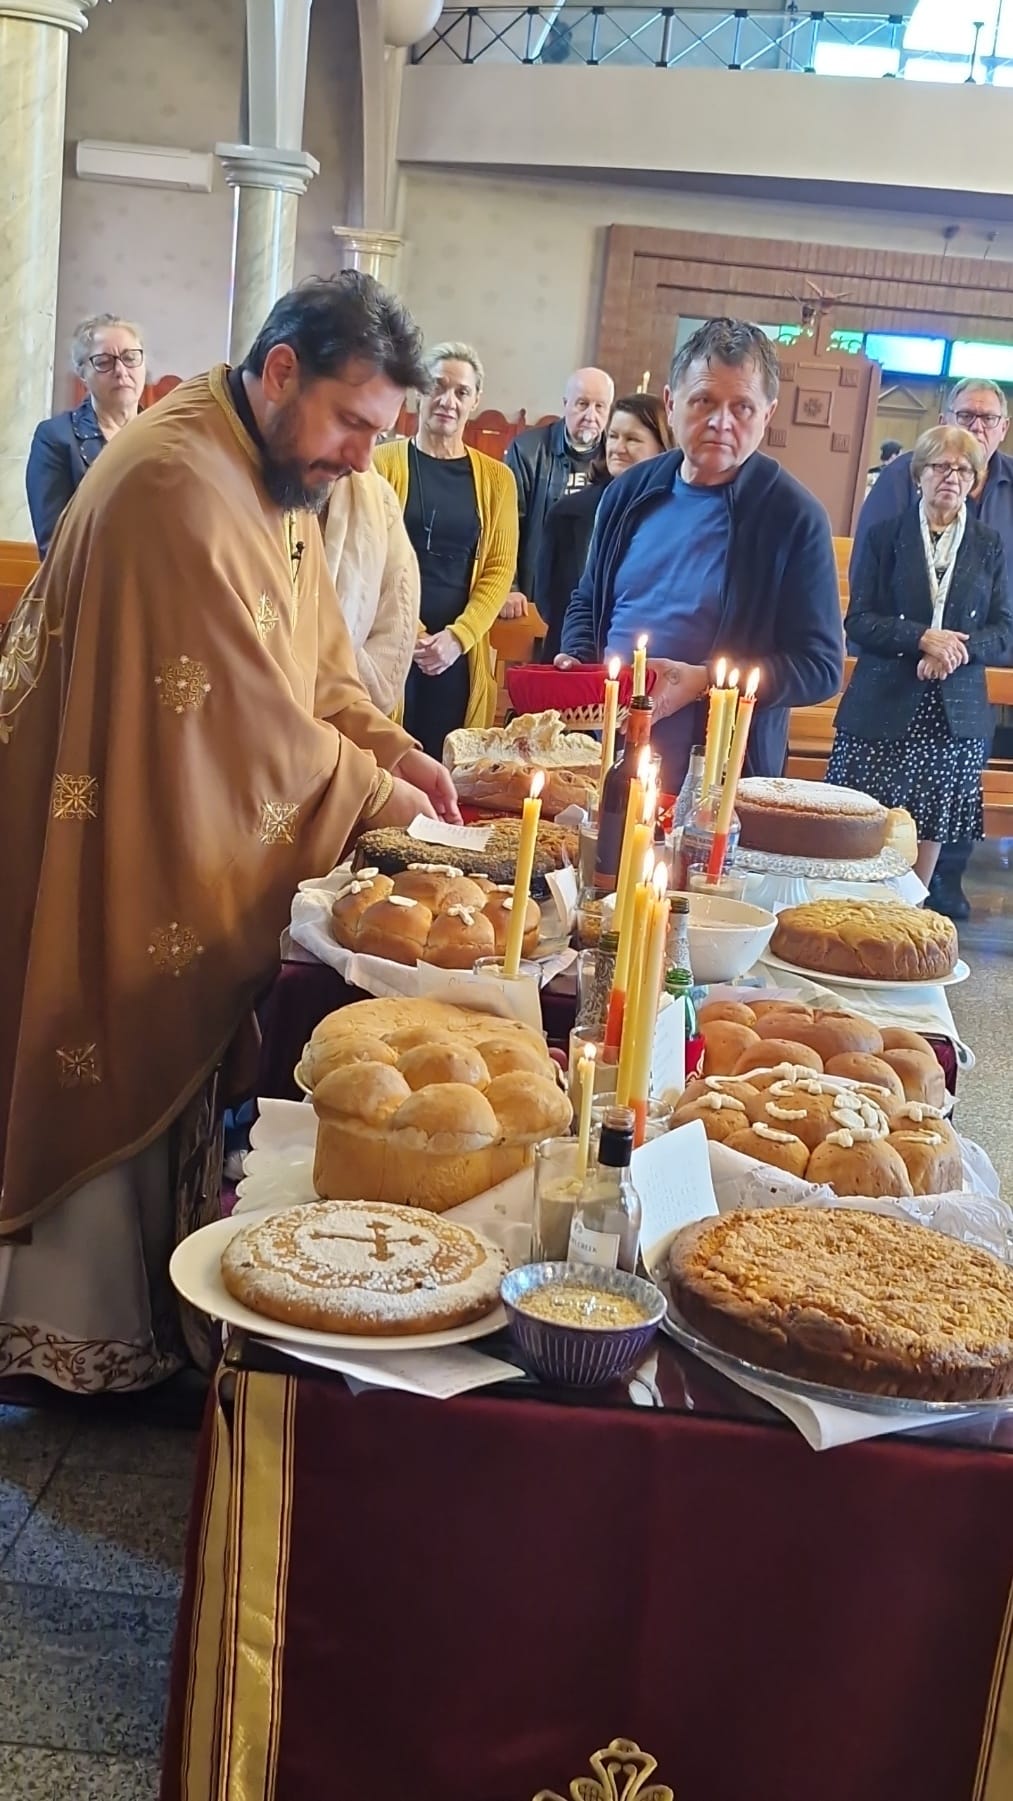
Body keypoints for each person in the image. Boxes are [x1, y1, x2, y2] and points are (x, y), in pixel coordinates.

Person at [0, 272, 461, 1396]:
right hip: (115, 826)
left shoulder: (269, 470)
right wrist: (375, 799)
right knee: (105, 1021)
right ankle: (76, 1340)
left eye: (378, 432)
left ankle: (144, 1326)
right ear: (282, 371)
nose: (362, 457)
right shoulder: (179, 483)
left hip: (166, 808)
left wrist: (393, 752)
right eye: (352, 423)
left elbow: (314, 671)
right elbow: (244, 723)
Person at [558, 318, 843, 793]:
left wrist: (707, 680)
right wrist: (577, 660)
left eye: (742, 407)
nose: (720, 422)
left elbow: (820, 667)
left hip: (719, 770)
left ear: (768, 415)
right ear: (671, 404)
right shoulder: (628, 492)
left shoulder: (793, 517)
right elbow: (589, 599)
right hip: (605, 749)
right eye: (704, 401)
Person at [852, 376, 1013, 918]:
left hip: (954, 708)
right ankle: (858, 907)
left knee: (933, 821)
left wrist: (952, 650)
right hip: (885, 700)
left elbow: (1005, 627)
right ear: (917, 473)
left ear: (975, 480)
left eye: (963, 470)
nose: (951, 476)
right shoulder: (886, 535)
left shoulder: (989, 545)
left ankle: (909, 916)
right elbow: (860, 619)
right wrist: (921, 638)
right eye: (940, 466)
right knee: (868, 823)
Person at [374, 341, 517, 758]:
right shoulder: (381, 465)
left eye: (461, 392)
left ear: (475, 401)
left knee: (452, 771)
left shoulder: (498, 480)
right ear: (419, 390)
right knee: (388, 766)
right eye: (437, 386)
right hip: (390, 643)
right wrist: (412, 634)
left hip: (458, 655)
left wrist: (458, 637)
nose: (447, 401)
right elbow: (370, 558)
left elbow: (499, 568)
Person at [534, 393, 673, 661]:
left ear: (662, 448)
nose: (618, 447)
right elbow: (548, 599)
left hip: (644, 660)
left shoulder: (673, 514)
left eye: (632, 439)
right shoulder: (567, 511)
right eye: (613, 436)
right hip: (572, 656)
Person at [25, 313, 147, 558]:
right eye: (103, 362)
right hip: (90, 579)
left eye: (130, 358)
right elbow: (54, 547)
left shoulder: (167, 437)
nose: (121, 371)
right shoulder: (55, 438)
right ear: (82, 373)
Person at [504, 365, 614, 609]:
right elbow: (507, 526)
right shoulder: (527, 451)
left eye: (600, 407)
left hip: (591, 593)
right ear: (565, 404)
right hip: (537, 587)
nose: (591, 416)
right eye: (582, 404)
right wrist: (509, 587)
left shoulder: (615, 457)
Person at [322, 467, 421, 715]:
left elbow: (395, 627)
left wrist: (344, 660)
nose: (363, 460)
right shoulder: (250, 493)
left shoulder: (378, 499)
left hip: (353, 714)